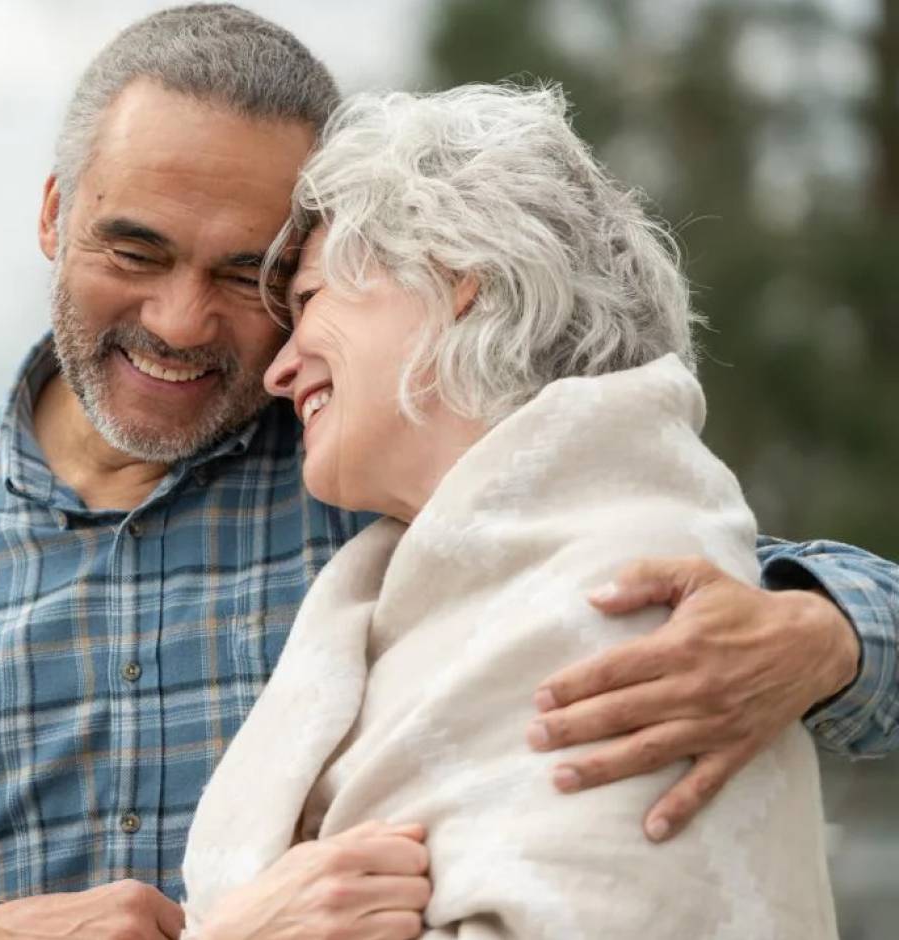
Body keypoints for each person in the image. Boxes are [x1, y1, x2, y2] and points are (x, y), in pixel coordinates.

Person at [0, 6, 899, 939]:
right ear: (54, 215)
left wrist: (821, 633)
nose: (179, 320)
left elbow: (627, 518)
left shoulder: (374, 464)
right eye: (135, 249)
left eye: (249, 276)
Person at [182, 82, 836, 939]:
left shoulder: (630, 585)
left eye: (308, 304)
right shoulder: (441, 585)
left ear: (454, 278)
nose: (279, 370)